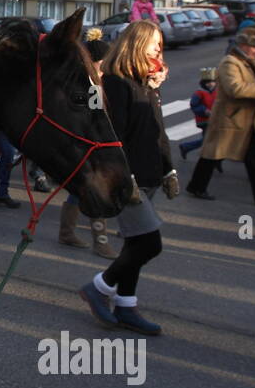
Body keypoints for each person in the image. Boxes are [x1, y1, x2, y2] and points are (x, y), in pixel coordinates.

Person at [78, 20, 173, 336]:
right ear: (137, 43)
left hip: (149, 175)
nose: (159, 48)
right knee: (150, 243)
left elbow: (156, 131)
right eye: (154, 43)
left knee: (134, 245)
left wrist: (168, 168)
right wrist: (124, 178)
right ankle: (98, 288)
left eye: (160, 43)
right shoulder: (118, 83)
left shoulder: (145, 81)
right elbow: (112, 136)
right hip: (127, 179)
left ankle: (127, 305)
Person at [187, 27, 255, 205]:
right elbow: (235, 89)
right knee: (213, 154)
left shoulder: (251, 62)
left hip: (247, 118)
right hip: (231, 118)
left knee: (251, 157)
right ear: (244, 45)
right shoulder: (230, 63)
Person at [60, 28, 114, 257]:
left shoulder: (93, 81)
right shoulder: (91, 84)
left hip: (86, 145)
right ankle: (100, 241)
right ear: (99, 61)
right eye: (106, 60)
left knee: (79, 191)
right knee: (95, 191)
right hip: (87, 146)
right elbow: (94, 119)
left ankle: (66, 232)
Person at [179, 68, 218, 161]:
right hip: (204, 120)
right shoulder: (199, 93)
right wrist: (204, 111)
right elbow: (194, 105)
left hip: (216, 119)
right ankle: (186, 147)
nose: (210, 84)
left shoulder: (217, 91)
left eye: (212, 82)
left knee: (211, 139)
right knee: (207, 140)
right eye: (207, 82)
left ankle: (215, 158)